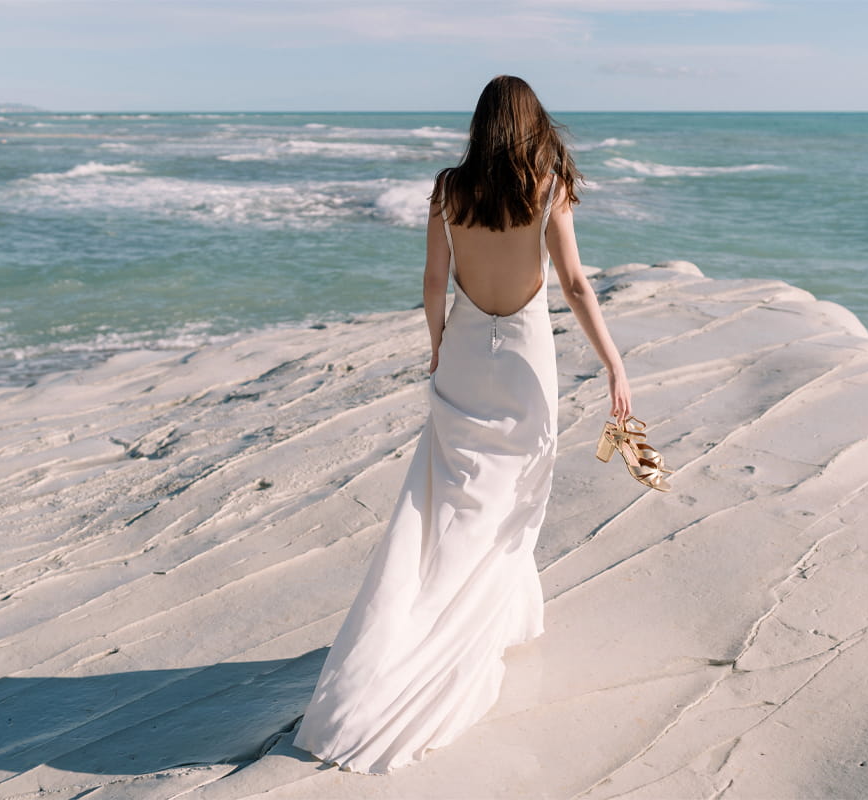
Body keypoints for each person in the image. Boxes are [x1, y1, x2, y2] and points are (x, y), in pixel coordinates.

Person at [293, 75, 632, 775]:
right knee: (514, 501)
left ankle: (461, 618)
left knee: (447, 500)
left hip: (467, 359)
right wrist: (614, 364)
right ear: (533, 124)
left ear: (481, 126)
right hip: (526, 367)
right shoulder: (547, 184)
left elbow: (431, 280)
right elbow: (573, 284)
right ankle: (458, 631)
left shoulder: (451, 189)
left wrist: (439, 342)